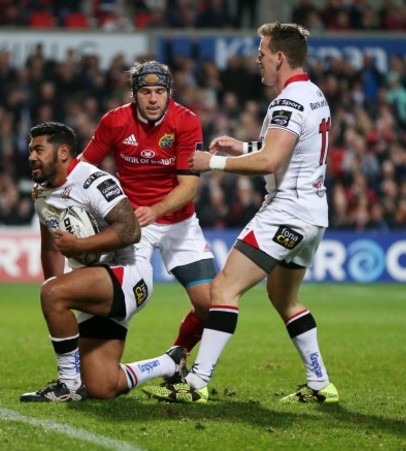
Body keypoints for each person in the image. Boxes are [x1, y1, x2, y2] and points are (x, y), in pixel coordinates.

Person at [144, 22, 338, 404]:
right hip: (313, 216)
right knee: (284, 300)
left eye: (262, 54)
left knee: (223, 290)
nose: (257, 60)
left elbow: (270, 160)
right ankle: (320, 383)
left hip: (286, 212)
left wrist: (212, 161)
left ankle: (196, 383)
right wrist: (242, 145)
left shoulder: (288, 101)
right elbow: (287, 147)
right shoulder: (313, 94)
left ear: (280, 57)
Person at [19, 122, 187, 402]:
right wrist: (55, 286)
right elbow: (50, 247)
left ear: (63, 153)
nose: (31, 156)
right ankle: (171, 363)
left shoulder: (92, 180)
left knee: (53, 293)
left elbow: (131, 230)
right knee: (102, 386)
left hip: (126, 273)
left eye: (38, 149)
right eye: (30, 150)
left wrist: (74, 257)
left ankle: (68, 385)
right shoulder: (41, 193)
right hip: (94, 283)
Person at [79, 60, 216, 383]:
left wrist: (154, 210)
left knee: (209, 305)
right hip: (131, 226)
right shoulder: (114, 122)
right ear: (134, 95)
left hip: (179, 224)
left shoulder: (186, 121)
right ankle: (97, 367)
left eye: (159, 92)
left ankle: (177, 355)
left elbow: (189, 186)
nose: (153, 99)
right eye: (145, 92)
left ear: (169, 93)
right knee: (122, 299)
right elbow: (84, 166)